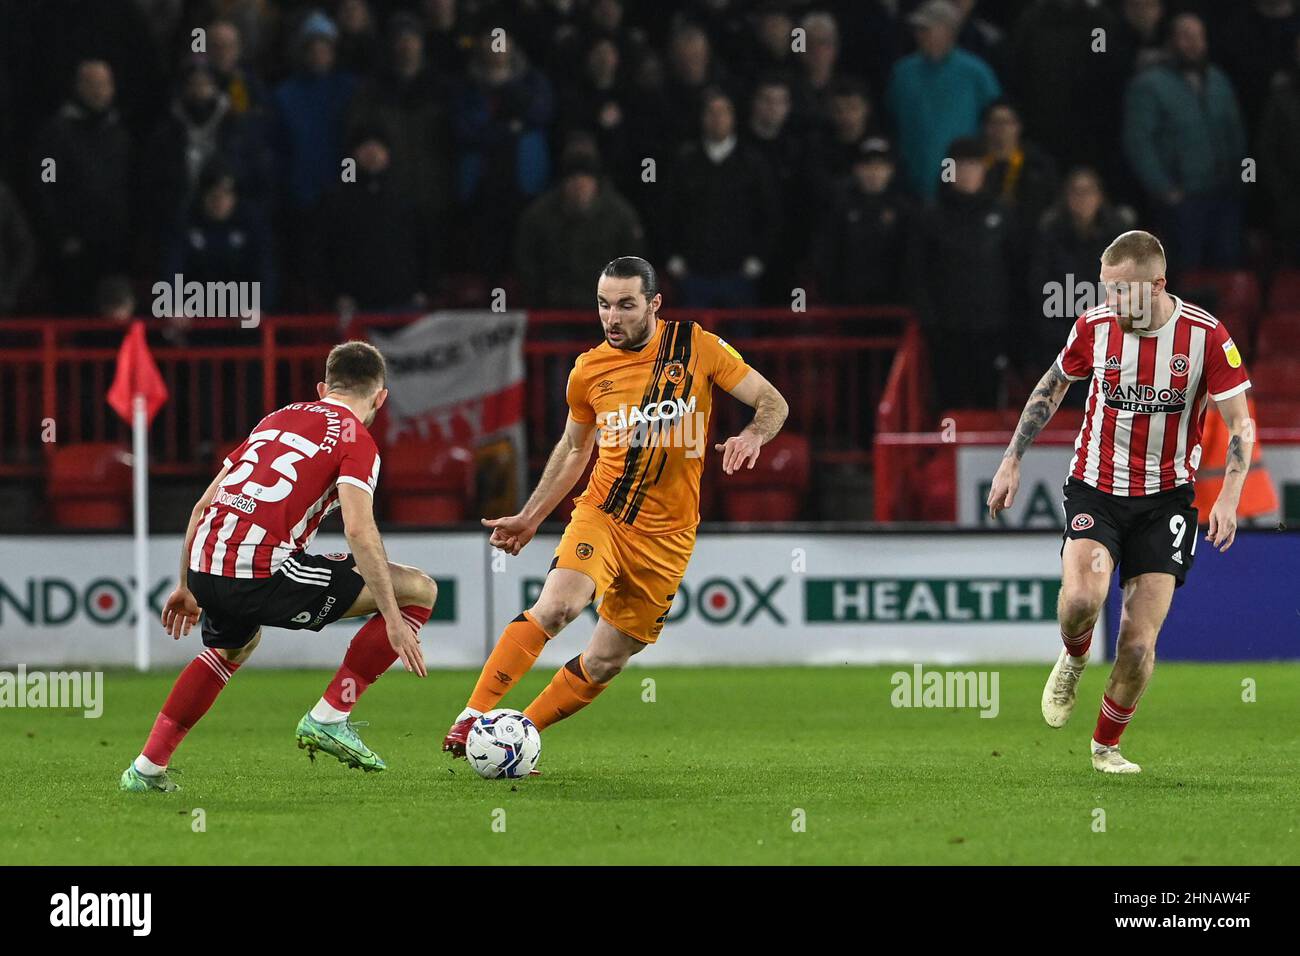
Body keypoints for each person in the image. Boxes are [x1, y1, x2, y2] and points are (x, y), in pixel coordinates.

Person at [440, 257, 788, 754]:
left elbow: (773, 400)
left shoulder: (698, 347)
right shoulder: (588, 370)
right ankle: (471, 717)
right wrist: (530, 516)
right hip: (604, 513)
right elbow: (573, 449)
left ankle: (521, 733)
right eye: (604, 305)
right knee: (558, 606)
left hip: (668, 538)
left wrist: (753, 434)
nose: (613, 317)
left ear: (654, 304)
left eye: (626, 305)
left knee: (605, 660)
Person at [987, 231, 1254, 774]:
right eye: (1106, 290)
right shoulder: (1094, 327)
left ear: (1158, 285)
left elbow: (1240, 423)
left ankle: (1105, 746)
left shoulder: (1206, 337)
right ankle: (1074, 654)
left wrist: (1229, 493)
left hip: (1167, 502)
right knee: (1083, 599)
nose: (1112, 302)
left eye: (1124, 291)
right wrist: (1012, 456)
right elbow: (1053, 385)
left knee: (1136, 646)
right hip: (1096, 487)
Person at [120, 342, 438, 792]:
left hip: (206, 564)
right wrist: (391, 618)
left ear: (322, 388)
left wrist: (186, 585)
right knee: (420, 590)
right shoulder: (357, 441)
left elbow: (203, 505)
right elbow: (359, 530)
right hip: (259, 573)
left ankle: (146, 770)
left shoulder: (278, 418)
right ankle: (330, 716)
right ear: (380, 398)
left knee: (231, 649)